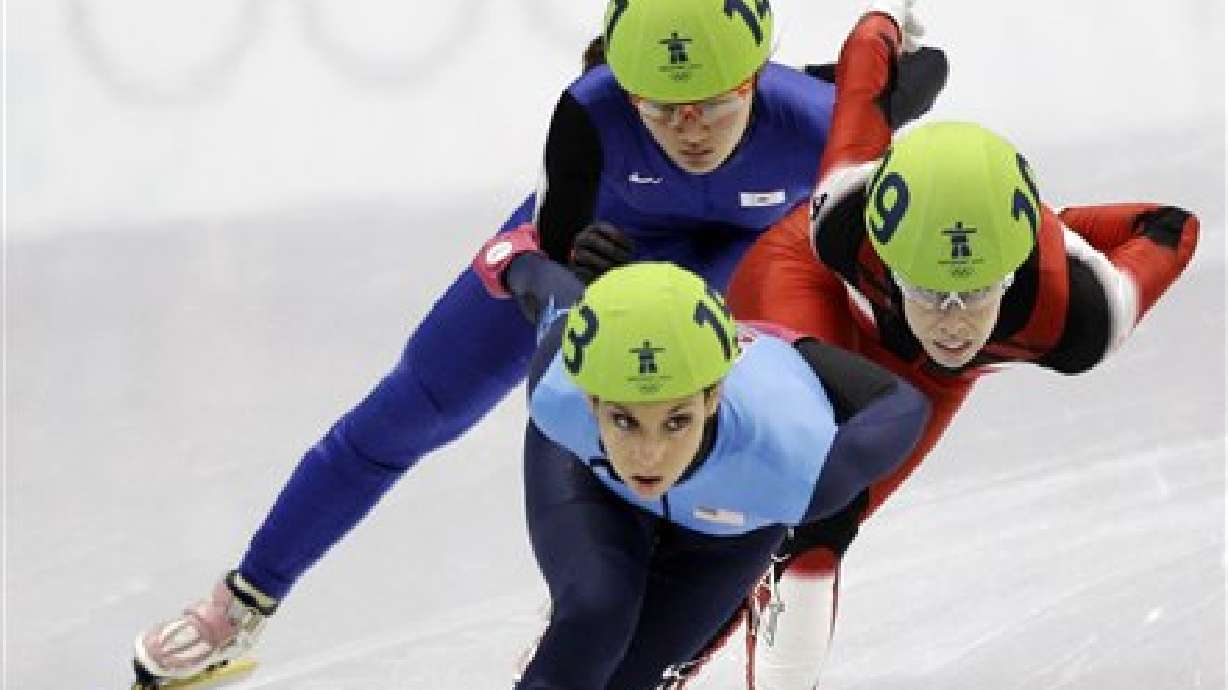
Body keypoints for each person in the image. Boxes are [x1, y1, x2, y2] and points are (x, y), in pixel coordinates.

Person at [130, 0, 947, 686]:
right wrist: (569, 257)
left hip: (737, 258)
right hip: (612, 245)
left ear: (754, 81)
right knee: (413, 407)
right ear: (625, 91)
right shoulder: (588, 114)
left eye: (715, 106)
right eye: (660, 110)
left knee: (708, 423)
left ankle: (619, 623)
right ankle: (243, 601)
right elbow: (548, 257)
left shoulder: (817, 127)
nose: (689, 131)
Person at [677, 120, 1200, 689]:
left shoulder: (1085, 314)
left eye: (975, 294)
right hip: (807, 283)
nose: (952, 323)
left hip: (926, 377)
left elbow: (1173, 225)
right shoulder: (842, 220)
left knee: (821, 524)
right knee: (797, 493)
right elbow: (869, 68)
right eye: (929, 291)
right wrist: (886, 26)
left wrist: (1047, 229)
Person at [486, 244, 929, 688]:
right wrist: (514, 261)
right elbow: (556, 296)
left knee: (629, 677)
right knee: (597, 610)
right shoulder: (557, 387)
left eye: (676, 421)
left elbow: (905, 407)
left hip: (726, 526)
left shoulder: (792, 462)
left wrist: (795, 350)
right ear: (590, 400)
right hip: (599, 485)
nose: (650, 454)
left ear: (713, 397)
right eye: (625, 421)